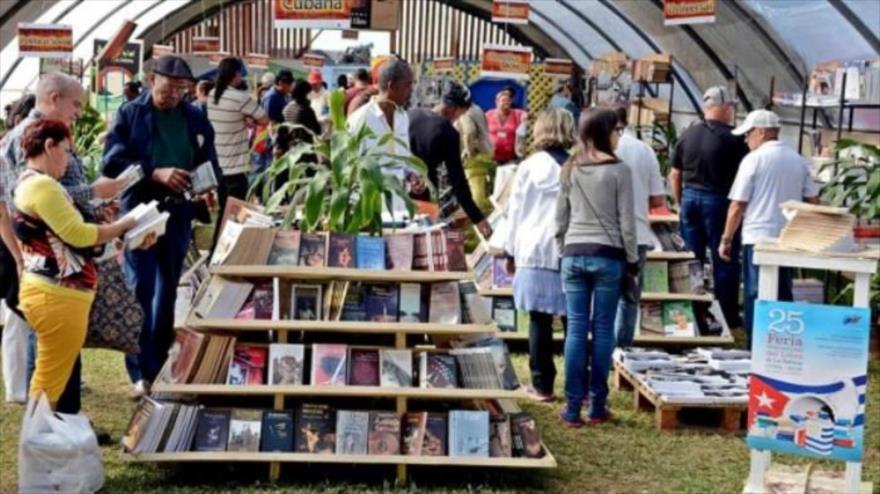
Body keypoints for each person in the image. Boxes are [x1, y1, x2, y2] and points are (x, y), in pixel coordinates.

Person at [1, 73, 128, 410]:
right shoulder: (26, 139)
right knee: (46, 352)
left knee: (58, 350)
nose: (78, 113)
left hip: (67, 266)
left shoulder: (51, 138)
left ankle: (62, 418)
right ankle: (52, 424)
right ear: (54, 97)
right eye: (75, 105)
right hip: (52, 267)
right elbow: (28, 201)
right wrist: (94, 193)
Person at [103, 55, 224, 399]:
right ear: (151, 79)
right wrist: (154, 171)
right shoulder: (131, 113)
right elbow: (111, 162)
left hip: (179, 211)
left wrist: (205, 187)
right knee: (139, 288)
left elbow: (207, 159)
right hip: (140, 211)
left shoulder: (195, 116)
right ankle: (139, 370)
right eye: (167, 87)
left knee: (168, 289)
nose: (173, 95)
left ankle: (158, 366)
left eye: (181, 90)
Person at [555, 108, 638, 427]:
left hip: (574, 253)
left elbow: (560, 215)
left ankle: (573, 407)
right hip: (609, 255)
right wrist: (631, 260)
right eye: (616, 130)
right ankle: (597, 405)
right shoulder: (620, 170)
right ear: (605, 133)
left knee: (575, 328)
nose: (618, 136)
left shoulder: (570, 167)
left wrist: (561, 248)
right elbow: (626, 222)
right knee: (603, 329)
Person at [719, 110, 819, 346]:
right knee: (783, 291)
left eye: (748, 134)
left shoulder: (753, 160)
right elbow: (814, 201)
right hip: (788, 236)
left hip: (758, 236)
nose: (745, 140)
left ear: (761, 132)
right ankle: (781, 344)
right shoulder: (798, 160)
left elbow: (737, 205)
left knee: (755, 293)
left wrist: (726, 238)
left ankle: (756, 345)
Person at [505, 108, 575, 402]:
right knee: (576, 321)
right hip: (569, 248)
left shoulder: (529, 166)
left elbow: (515, 212)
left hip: (533, 249)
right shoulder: (577, 165)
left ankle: (542, 384)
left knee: (539, 319)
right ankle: (576, 386)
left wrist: (510, 250)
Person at [669, 86, 749, 328]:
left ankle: (691, 315)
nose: (733, 111)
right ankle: (726, 317)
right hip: (718, 201)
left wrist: (681, 201)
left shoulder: (687, 134)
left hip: (690, 199)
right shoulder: (734, 139)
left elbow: (674, 174)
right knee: (724, 258)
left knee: (691, 261)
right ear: (723, 107)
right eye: (732, 107)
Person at [613, 106, 666, 347]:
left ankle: (603, 349)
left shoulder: (595, 149)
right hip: (638, 233)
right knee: (630, 297)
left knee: (602, 296)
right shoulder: (644, 151)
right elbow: (658, 200)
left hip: (603, 235)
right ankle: (622, 351)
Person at [408, 83, 490, 235]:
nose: (459, 118)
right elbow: (458, 182)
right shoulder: (449, 133)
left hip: (397, 192)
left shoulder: (411, 115)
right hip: (424, 199)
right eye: (462, 113)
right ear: (453, 109)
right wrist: (477, 218)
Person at [348, 58, 414, 217]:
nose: (411, 90)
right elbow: (350, 167)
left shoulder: (403, 117)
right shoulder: (360, 119)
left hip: (399, 208)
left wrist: (412, 174)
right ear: (392, 86)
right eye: (408, 85)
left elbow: (404, 158)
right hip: (369, 210)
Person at [207, 57, 268, 200]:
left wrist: (242, 118)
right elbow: (264, 119)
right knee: (233, 212)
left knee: (223, 208)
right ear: (235, 74)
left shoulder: (212, 95)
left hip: (218, 163)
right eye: (240, 73)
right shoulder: (240, 98)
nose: (241, 76)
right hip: (236, 166)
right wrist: (248, 119)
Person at [454, 92, 494, 214]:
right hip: (486, 151)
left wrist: (468, 151)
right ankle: (488, 213)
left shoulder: (464, 112)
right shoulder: (476, 108)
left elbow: (469, 132)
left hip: (475, 154)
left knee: (475, 188)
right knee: (484, 188)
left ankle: (476, 219)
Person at [486, 86, 527, 164]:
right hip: (491, 157)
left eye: (509, 100)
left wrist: (525, 117)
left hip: (511, 158)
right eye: (503, 100)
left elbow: (526, 115)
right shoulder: (489, 114)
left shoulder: (517, 113)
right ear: (497, 102)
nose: (506, 102)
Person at [282, 79, 322, 144]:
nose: (310, 97)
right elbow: (318, 131)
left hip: (291, 147)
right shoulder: (306, 110)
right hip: (305, 148)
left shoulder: (286, 109)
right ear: (304, 95)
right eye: (309, 93)